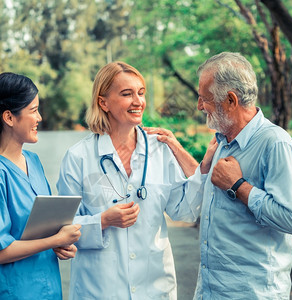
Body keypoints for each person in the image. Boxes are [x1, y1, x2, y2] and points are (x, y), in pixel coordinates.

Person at [56, 61, 215, 299]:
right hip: (100, 289)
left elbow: (184, 211)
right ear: (103, 102)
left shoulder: (159, 150)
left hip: (155, 287)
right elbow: (64, 227)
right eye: (126, 94)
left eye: (141, 93)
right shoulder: (79, 157)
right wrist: (102, 221)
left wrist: (204, 167)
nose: (138, 101)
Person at [193, 52, 292, 299]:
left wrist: (238, 185)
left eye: (205, 98)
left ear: (231, 100)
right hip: (211, 291)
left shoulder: (275, 143)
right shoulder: (222, 141)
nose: (199, 106)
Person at [0, 72, 81, 299]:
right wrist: (55, 240)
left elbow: (37, 232)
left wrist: (57, 244)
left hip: (48, 290)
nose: (39, 117)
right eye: (33, 110)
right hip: (11, 293)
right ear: (9, 118)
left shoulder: (34, 162)